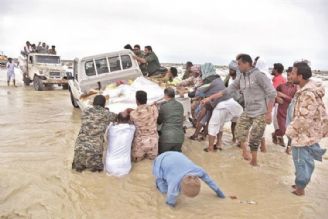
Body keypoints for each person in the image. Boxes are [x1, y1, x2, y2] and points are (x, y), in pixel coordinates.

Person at [202, 54, 276, 166]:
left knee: (255, 136)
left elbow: (272, 93)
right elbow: (227, 91)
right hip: (248, 110)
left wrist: (269, 113)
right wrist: (210, 98)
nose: (238, 66)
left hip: (261, 111)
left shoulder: (259, 75)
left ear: (247, 63)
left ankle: (254, 161)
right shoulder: (241, 77)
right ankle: (245, 151)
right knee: (239, 131)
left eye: (239, 64)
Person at [286, 62, 327, 196]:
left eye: (293, 73)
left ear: (301, 76)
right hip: (309, 133)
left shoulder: (307, 93)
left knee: (301, 162)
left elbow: (303, 119)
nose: (290, 75)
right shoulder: (306, 89)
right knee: (303, 160)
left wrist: (290, 131)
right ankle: (300, 183)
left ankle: (300, 190)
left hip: (303, 135)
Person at [153, 151, 225, 207]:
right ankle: (158, 183)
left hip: (177, 155)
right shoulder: (174, 181)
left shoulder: (199, 171)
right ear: (180, 185)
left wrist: (220, 194)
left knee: (172, 189)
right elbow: (170, 201)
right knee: (164, 190)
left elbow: (210, 182)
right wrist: (171, 208)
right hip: (161, 160)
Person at [72, 95, 117, 172]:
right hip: (94, 151)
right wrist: (106, 111)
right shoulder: (107, 114)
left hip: (79, 148)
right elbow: (117, 117)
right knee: (96, 173)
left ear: (93, 103)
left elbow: (93, 116)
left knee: (77, 171)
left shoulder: (85, 111)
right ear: (104, 105)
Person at [105, 110, 136, 177]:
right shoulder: (132, 129)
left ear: (117, 120)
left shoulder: (111, 129)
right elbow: (132, 123)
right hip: (126, 168)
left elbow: (110, 124)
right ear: (128, 120)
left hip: (110, 167)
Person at [272, 67, 297, 149]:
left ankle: (288, 148)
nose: (289, 77)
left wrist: (283, 96)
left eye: (291, 75)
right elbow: (273, 93)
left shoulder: (297, 88)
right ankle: (275, 134)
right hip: (281, 111)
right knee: (283, 130)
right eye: (288, 75)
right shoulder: (281, 86)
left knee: (291, 132)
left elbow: (294, 100)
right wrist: (276, 98)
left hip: (292, 113)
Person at [130, 91, 159, 162]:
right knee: (153, 161)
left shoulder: (133, 113)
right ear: (146, 99)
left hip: (140, 143)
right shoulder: (153, 109)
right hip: (153, 142)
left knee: (136, 161)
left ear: (136, 100)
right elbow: (155, 112)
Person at [157, 88, 184, 154]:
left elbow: (159, 121)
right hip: (179, 138)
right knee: (175, 158)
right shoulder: (180, 105)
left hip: (167, 138)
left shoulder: (164, 106)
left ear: (166, 95)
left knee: (163, 157)